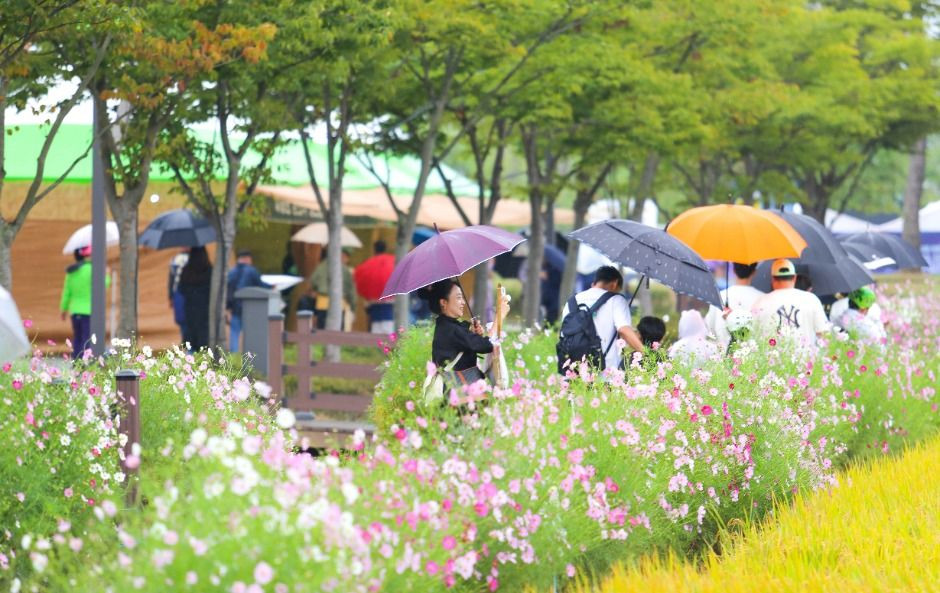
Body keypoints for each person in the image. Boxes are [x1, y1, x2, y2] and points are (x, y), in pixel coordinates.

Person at [423, 278, 509, 386]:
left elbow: (465, 341)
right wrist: (499, 317)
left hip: (454, 388)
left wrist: (472, 333)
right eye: (459, 298)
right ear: (444, 302)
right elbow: (487, 345)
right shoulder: (453, 330)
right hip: (460, 392)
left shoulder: (445, 327)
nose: (463, 302)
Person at [559, 266, 644, 371]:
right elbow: (623, 330)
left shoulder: (571, 301)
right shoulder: (616, 300)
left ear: (594, 283)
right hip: (607, 369)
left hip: (574, 368)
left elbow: (563, 334)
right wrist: (647, 354)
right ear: (614, 284)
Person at [751, 258, 831, 347]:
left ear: (772, 278)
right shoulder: (811, 299)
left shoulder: (760, 302)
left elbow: (752, 336)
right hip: (806, 355)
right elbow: (824, 335)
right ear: (794, 277)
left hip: (772, 355)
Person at [60, 246, 108, 359]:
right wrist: (107, 275)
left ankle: (76, 361)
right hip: (89, 311)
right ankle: (85, 363)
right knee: (87, 339)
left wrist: (63, 309)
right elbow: (103, 285)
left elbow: (66, 293)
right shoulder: (92, 269)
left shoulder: (71, 272)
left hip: (75, 311)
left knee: (78, 338)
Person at [704, 262, 764, 349]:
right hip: (755, 354)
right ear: (754, 272)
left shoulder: (719, 297)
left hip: (722, 354)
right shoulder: (763, 298)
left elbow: (709, 330)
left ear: (734, 271)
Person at [226, 249, 270, 352]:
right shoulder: (251, 271)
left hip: (234, 307)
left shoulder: (231, 272)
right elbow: (261, 286)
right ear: (247, 259)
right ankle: (251, 352)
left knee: (234, 332)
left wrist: (228, 307)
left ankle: (234, 353)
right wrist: (271, 286)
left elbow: (228, 291)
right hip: (250, 306)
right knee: (250, 331)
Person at [309, 248, 356, 330]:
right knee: (337, 332)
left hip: (322, 304)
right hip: (339, 304)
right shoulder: (344, 269)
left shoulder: (321, 266)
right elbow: (351, 290)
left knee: (321, 330)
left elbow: (313, 281)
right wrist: (353, 307)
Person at [355, 240, 396, 334]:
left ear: (374, 250)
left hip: (374, 304)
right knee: (389, 331)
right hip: (390, 304)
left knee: (376, 331)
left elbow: (361, 284)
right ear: (385, 249)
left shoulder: (367, 265)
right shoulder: (393, 262)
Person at [178, 246, 212, 351]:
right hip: (205, 307)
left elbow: (181, 289)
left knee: (190, 335)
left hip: (190, 307)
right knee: (204, 334)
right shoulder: (209, 270)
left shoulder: (186, 270)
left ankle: (190, 356)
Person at [168, 248, 189, 342]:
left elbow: (171, 280)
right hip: (180, 293)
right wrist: (170, 296)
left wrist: (170, 296)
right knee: (183, 320)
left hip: (182, 293)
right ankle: (186, 341)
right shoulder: (175, 260)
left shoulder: (175, 260)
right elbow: (171, 280)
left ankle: (187, 342)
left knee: (184, 320)